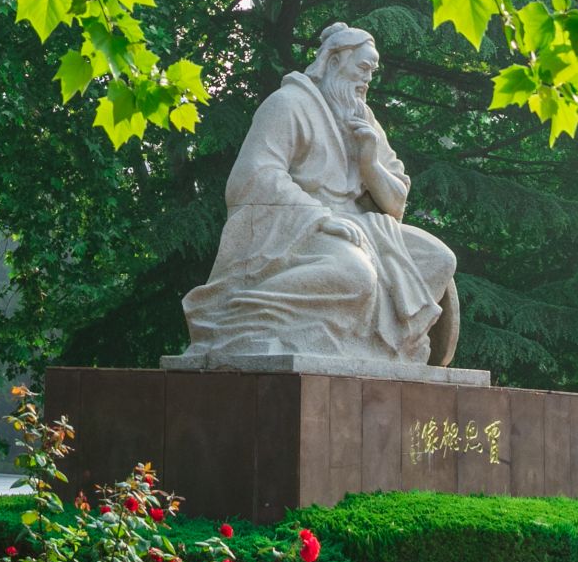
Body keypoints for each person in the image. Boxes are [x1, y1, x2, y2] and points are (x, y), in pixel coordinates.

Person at [178, 23, 459, 366]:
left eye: (372, 71)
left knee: (439, 259)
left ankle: (380, 347)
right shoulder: (288, 104)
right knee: (356, 274)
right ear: (335, 61)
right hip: (298, 226)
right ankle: (238, 313)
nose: (368, 78)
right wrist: (321, 217)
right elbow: (253, 177)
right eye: (363, 67)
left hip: (367, 228)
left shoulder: (364, 119)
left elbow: (396, 204)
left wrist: (370, 162)